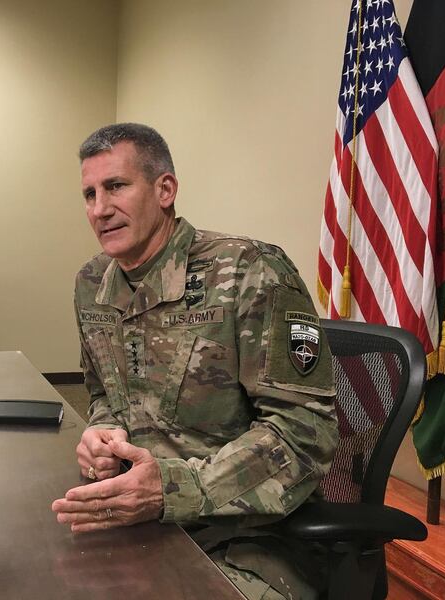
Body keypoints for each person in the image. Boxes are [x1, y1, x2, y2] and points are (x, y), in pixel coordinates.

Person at [51, 123, 338, 600]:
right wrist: (102, 432)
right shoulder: (92, 282)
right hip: (134, 515)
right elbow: (102, 392)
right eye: (89, 193)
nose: (100, 209)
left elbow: (305, 431)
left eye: (116, 186)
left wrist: (174, 488)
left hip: (248, 534)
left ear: (165, 189)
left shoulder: (249, 270)